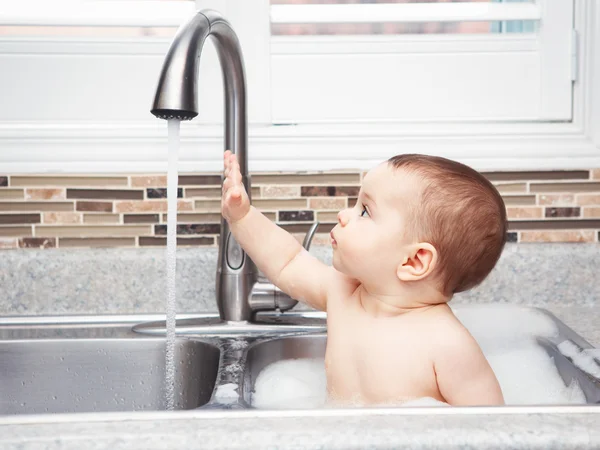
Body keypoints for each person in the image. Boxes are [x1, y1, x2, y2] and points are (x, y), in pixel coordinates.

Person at [221, 150, 507, 406]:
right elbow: (288, 261)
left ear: (414, 261)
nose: (344, 214)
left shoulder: (448, 344)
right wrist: (243, 217)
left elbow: (494, 430)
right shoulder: (343, 292)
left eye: (365, 211)